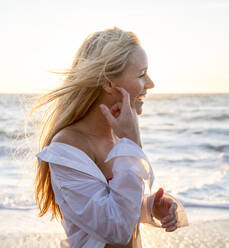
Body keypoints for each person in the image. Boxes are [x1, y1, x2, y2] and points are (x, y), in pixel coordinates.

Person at [31, 27, 188, 248]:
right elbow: (116, 229)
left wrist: (148, 207)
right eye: (141, 74)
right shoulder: (67, 148)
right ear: (108, 82)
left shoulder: (116, 139)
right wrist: (132, 146)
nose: (150, 83)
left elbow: (114, 204)